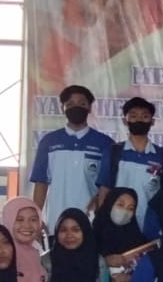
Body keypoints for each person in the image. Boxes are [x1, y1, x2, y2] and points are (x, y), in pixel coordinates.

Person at [30, 85, 115, 228]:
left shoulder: (105, 143)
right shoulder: (49, 141)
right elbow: (41, 183)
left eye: (82, 103)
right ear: (62, 108)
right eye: (70, 104)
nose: (76, 107)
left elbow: (107, 188)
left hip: (90, 224)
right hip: (55, 221)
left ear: (90, 108)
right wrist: (35, 219)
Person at [95, 97, 163, 226]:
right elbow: (104, 190)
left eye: (145, 116)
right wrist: (102, 222)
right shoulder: (113, 152)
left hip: (150, 224)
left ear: (152, 121)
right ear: (125, 120)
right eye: (133, 116)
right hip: (117, 224)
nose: (139, 120)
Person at [92, 187, 145, 282]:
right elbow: (81, 263)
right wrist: (104, 261)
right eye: (120, 205)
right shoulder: (91, 235)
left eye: (130, 208)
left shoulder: (138, 240)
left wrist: (131, 279)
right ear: (110, 204)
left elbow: (149, 272)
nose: (125, 212)